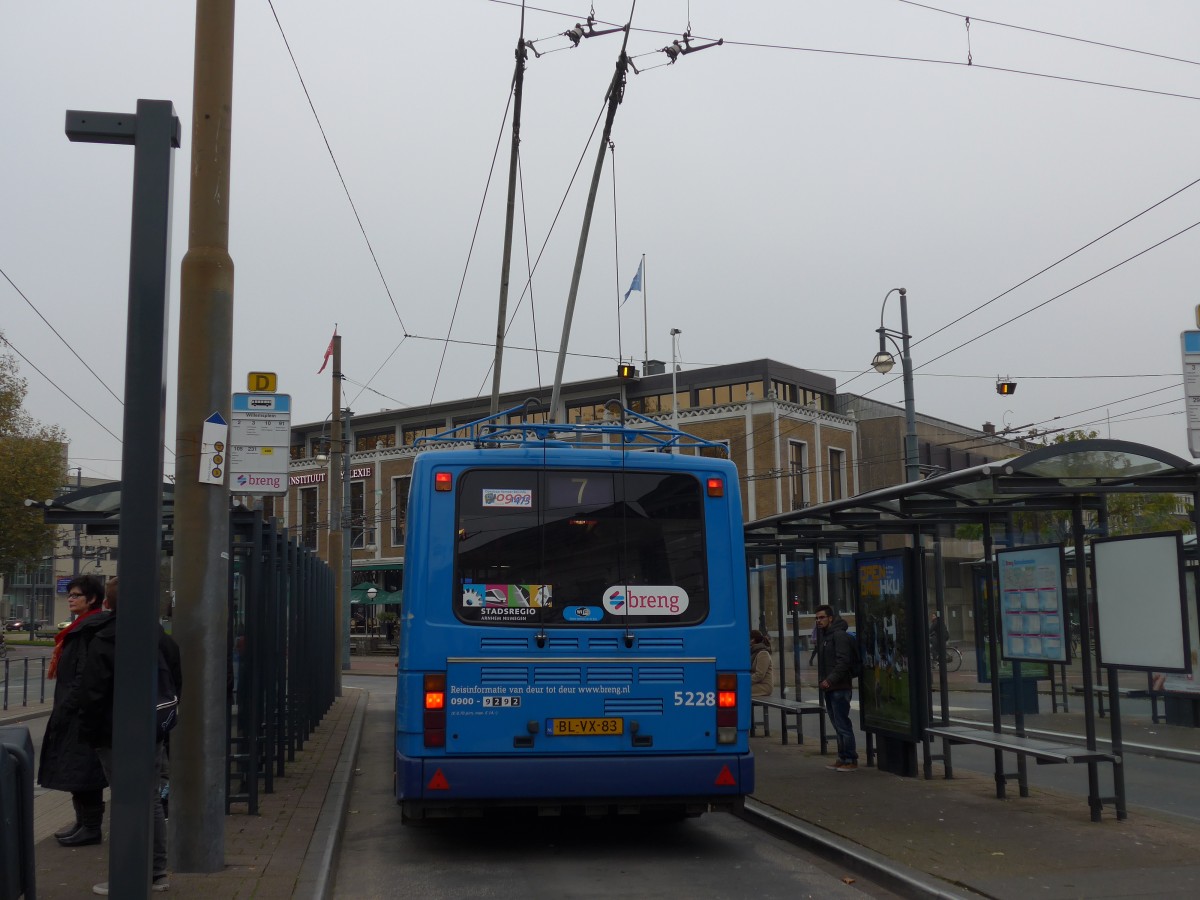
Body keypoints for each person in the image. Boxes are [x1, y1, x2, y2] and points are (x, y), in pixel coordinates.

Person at [80, 577, 181, 894]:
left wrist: (89, 733)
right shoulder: (160, 638)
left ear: (107, 604)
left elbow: (93, 693)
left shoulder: (106, 638)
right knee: (149, 796)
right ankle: (156, 871)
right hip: (153, 729)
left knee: (125, 799)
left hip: (114, 734)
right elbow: (177, 682)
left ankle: (127, 874)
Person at [37, 573, 110, 846]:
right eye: (70, 594)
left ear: (92, 599)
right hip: (76, 711)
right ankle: (82, 823)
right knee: (76, 770)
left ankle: (91, 827)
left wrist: (68, 706)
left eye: (76, 595)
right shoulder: (80, 628)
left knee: (83, 771)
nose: (70, 598)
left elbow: (83, 675)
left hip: (80, 713)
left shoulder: (88, 629)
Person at [815, 604, 859, 772]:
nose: (818, 621)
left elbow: (843, 662)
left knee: (842, 724)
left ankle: (850, 759)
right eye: (817, 618)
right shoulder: (826, 636)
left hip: (839, 686)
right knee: (837, 724)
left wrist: (829, 680)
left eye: (822, 617)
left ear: (830, 618)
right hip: (830, 687)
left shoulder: (838, 636)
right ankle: (842, 757)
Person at [750, 630, 774, 697]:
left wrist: (745, 681)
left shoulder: (763, 653)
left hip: (763, 686)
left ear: (752, 640)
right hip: (757, 684)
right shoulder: (754, 653)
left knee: (740, 690)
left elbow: (759, 675)